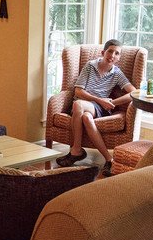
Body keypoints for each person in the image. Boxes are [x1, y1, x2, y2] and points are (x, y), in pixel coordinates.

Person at [56, 39, 135, 177]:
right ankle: (109, 160)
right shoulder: (90, 66)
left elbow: (134, 93)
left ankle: (76, 151)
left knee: (78, 105)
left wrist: (112, 103)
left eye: (117, 53)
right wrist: (99, 100)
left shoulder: (117, 73)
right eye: (110, 51)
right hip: (85, 104)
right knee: (84, 114)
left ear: (119, 58)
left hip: (99, 108)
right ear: (103, 52)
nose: (113, 55)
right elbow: (78, 92)